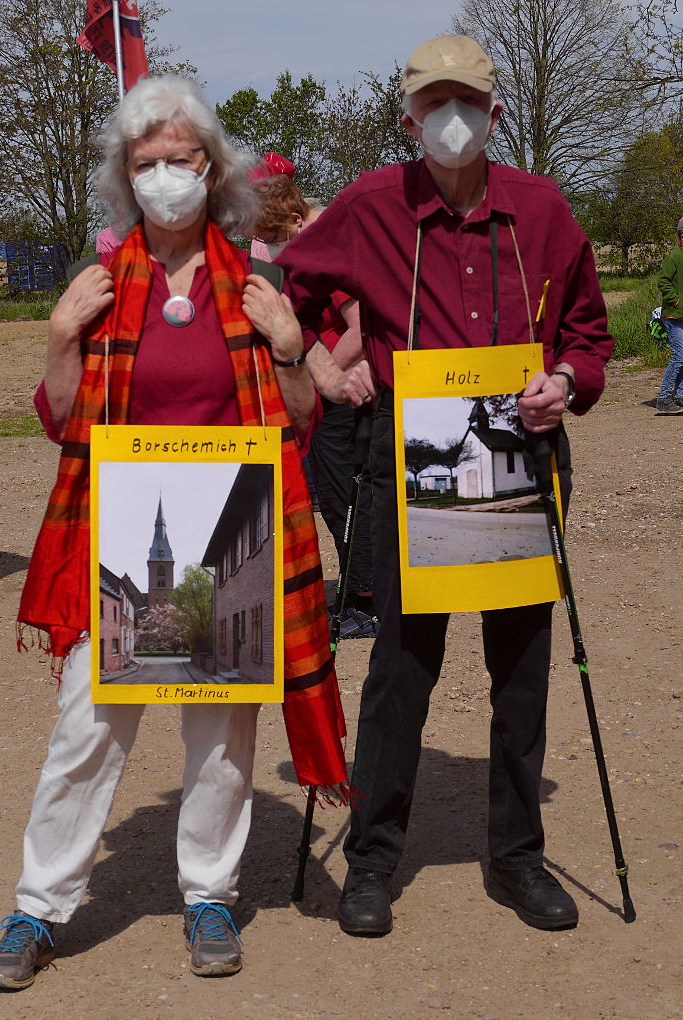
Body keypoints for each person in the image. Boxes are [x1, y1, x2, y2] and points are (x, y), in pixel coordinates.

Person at [0, 75, 348, 991]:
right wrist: (62, 339)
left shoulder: (256, 283)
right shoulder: (99, 286)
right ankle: (38, 906)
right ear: (125, 176)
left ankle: (210, 893)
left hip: (229, 530)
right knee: (88, 725)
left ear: (211, 170)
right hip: (124, 532)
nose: (165, 177)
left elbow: (301, 421)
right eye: (146, 164)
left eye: (180, 160)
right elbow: (63, 420)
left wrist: (293, 347)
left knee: (221, 729)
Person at [277, 35, 614, 936]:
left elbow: (589, 334)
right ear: (410, 117)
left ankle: (517, 859)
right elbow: (290, 296)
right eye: (434, 104)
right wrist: (322, 363)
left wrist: (568, 382)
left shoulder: (544, 210)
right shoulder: (368, 205)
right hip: (405, 457)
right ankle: (373, 861)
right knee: (399, 666)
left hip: (523, 455)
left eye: (466, 101)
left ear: (495, 112)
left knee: (523, 665)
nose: (450, 118)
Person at [251, 176, 376, 630]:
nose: (268, 247)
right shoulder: (311, 259)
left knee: (347, 496)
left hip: (341, 395)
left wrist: (323, 377)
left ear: (297, 221)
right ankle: (357, 583)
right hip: (330, 392)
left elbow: (361, 327)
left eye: (271, 238)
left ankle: (367, 599)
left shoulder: (332, 262)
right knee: (335, 493)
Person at [654, 217, 683, 414]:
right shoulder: (674, 256)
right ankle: (664, 398)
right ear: (681, 237)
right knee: (679, 356)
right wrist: (676, 300)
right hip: (673, 316)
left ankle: (680, 396)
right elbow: (663, 281)